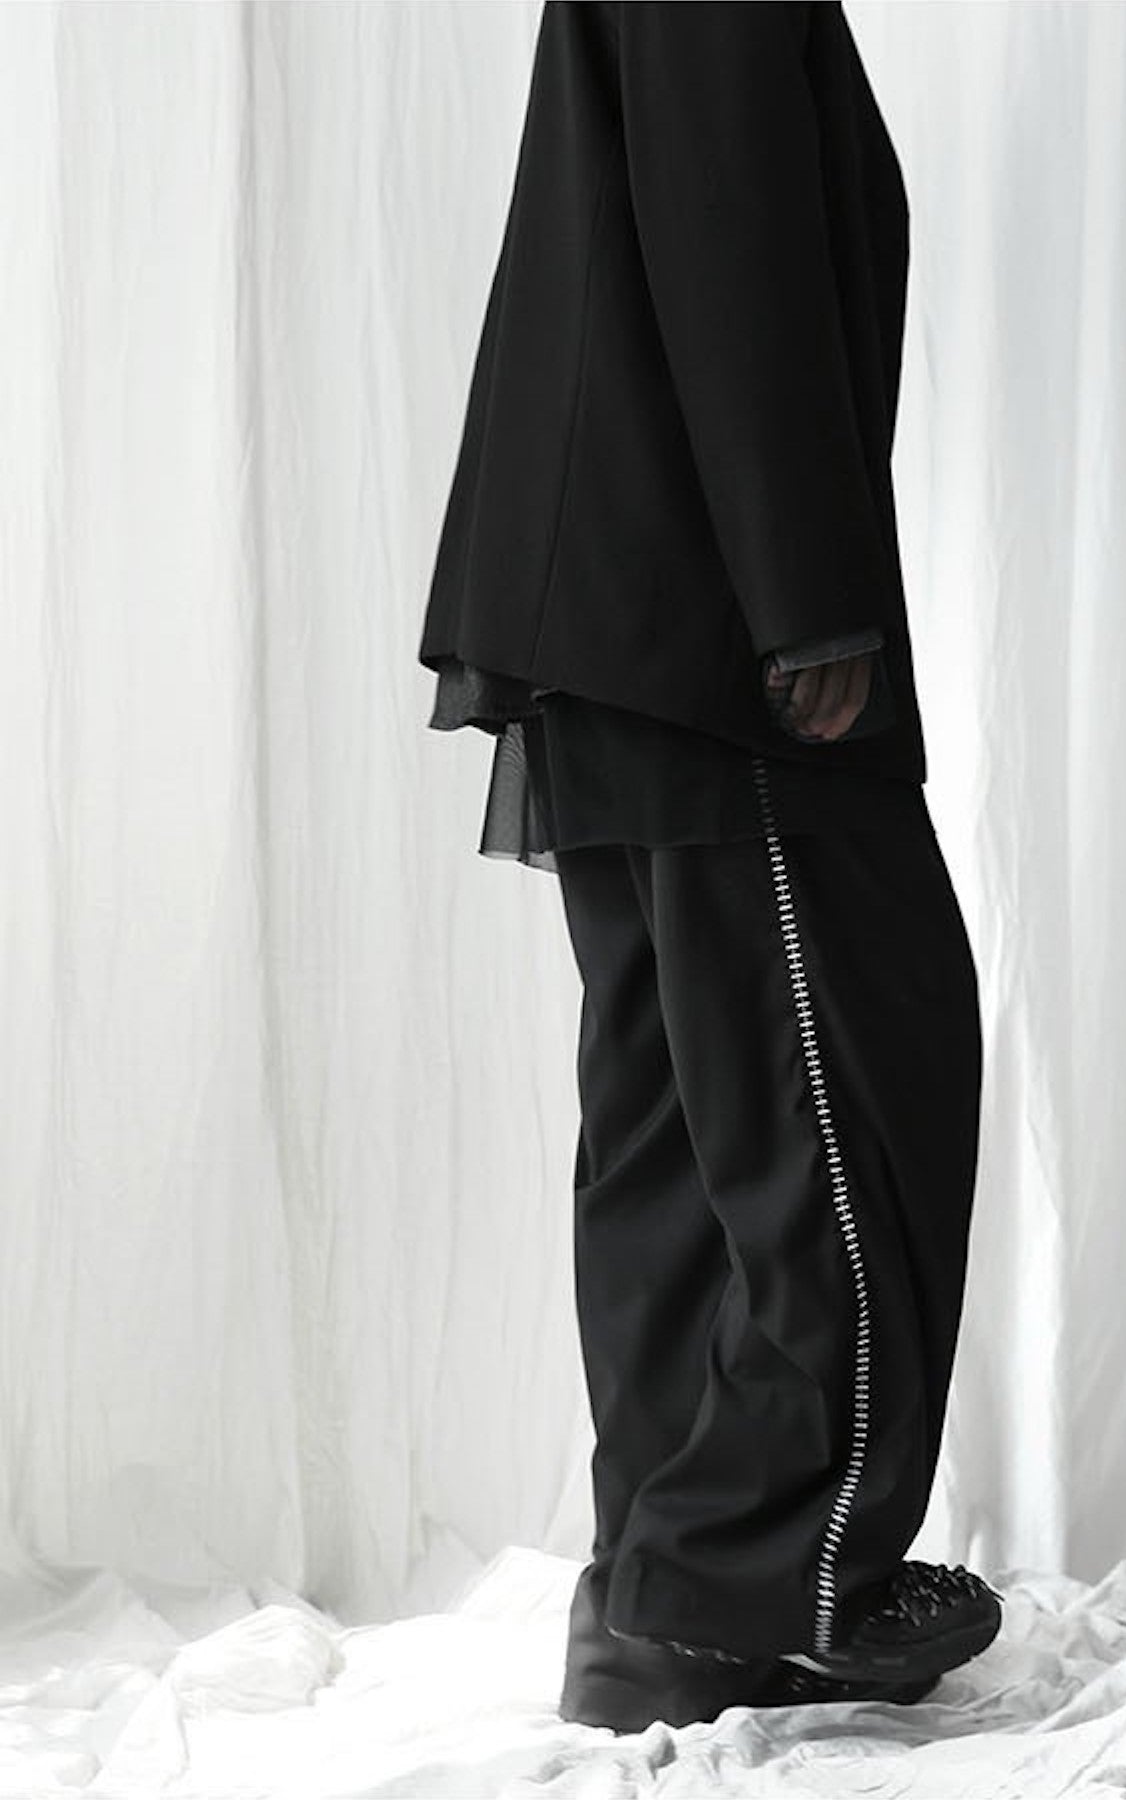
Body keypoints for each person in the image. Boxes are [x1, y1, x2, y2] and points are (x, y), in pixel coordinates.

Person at [418, 1, 1003, 1734]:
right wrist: (805, 597)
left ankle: (669, 1601)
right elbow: (725, 208)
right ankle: (761, 1572)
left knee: (683, 1103)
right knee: (847, 1082)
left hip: (617, 591)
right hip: (706, 610)